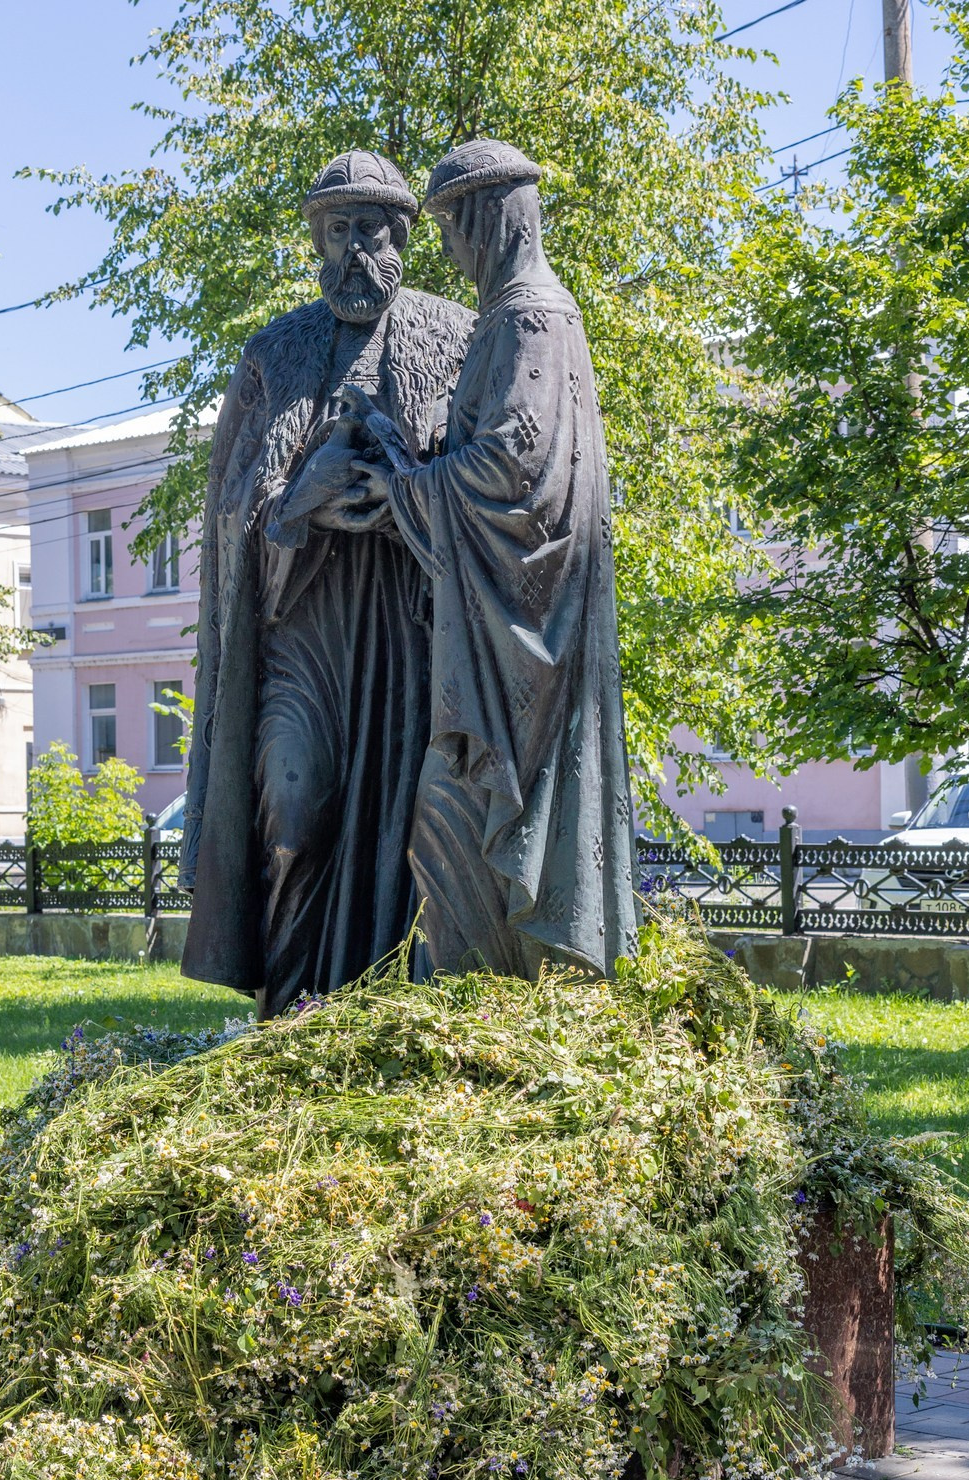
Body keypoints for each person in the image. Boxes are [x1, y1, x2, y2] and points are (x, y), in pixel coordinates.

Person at [180, 151, 476, 1017]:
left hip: (409, 632)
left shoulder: (457, 339)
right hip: (301, 634)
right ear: (316, 241)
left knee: (407, 832)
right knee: (296, 809)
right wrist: (295, 502)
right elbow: (231, 503)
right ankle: (289, 1016)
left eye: (372, 230)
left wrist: (406, 496)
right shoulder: (275, 353)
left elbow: (488, 472)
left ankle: (389, 1019)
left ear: (404, 240)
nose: (356, 251)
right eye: (338, 231)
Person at [338, 139, 637, 980]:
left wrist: (404, 479)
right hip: (509, 623)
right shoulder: (528, 313)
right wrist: (414, 452)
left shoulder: (526, 316)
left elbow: (510, 465)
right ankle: (493, 993)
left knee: (445, 812)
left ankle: (490, 997)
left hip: (520, 638)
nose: (453, 251)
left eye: (454, 229)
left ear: (487, 218)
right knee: (447, 812)